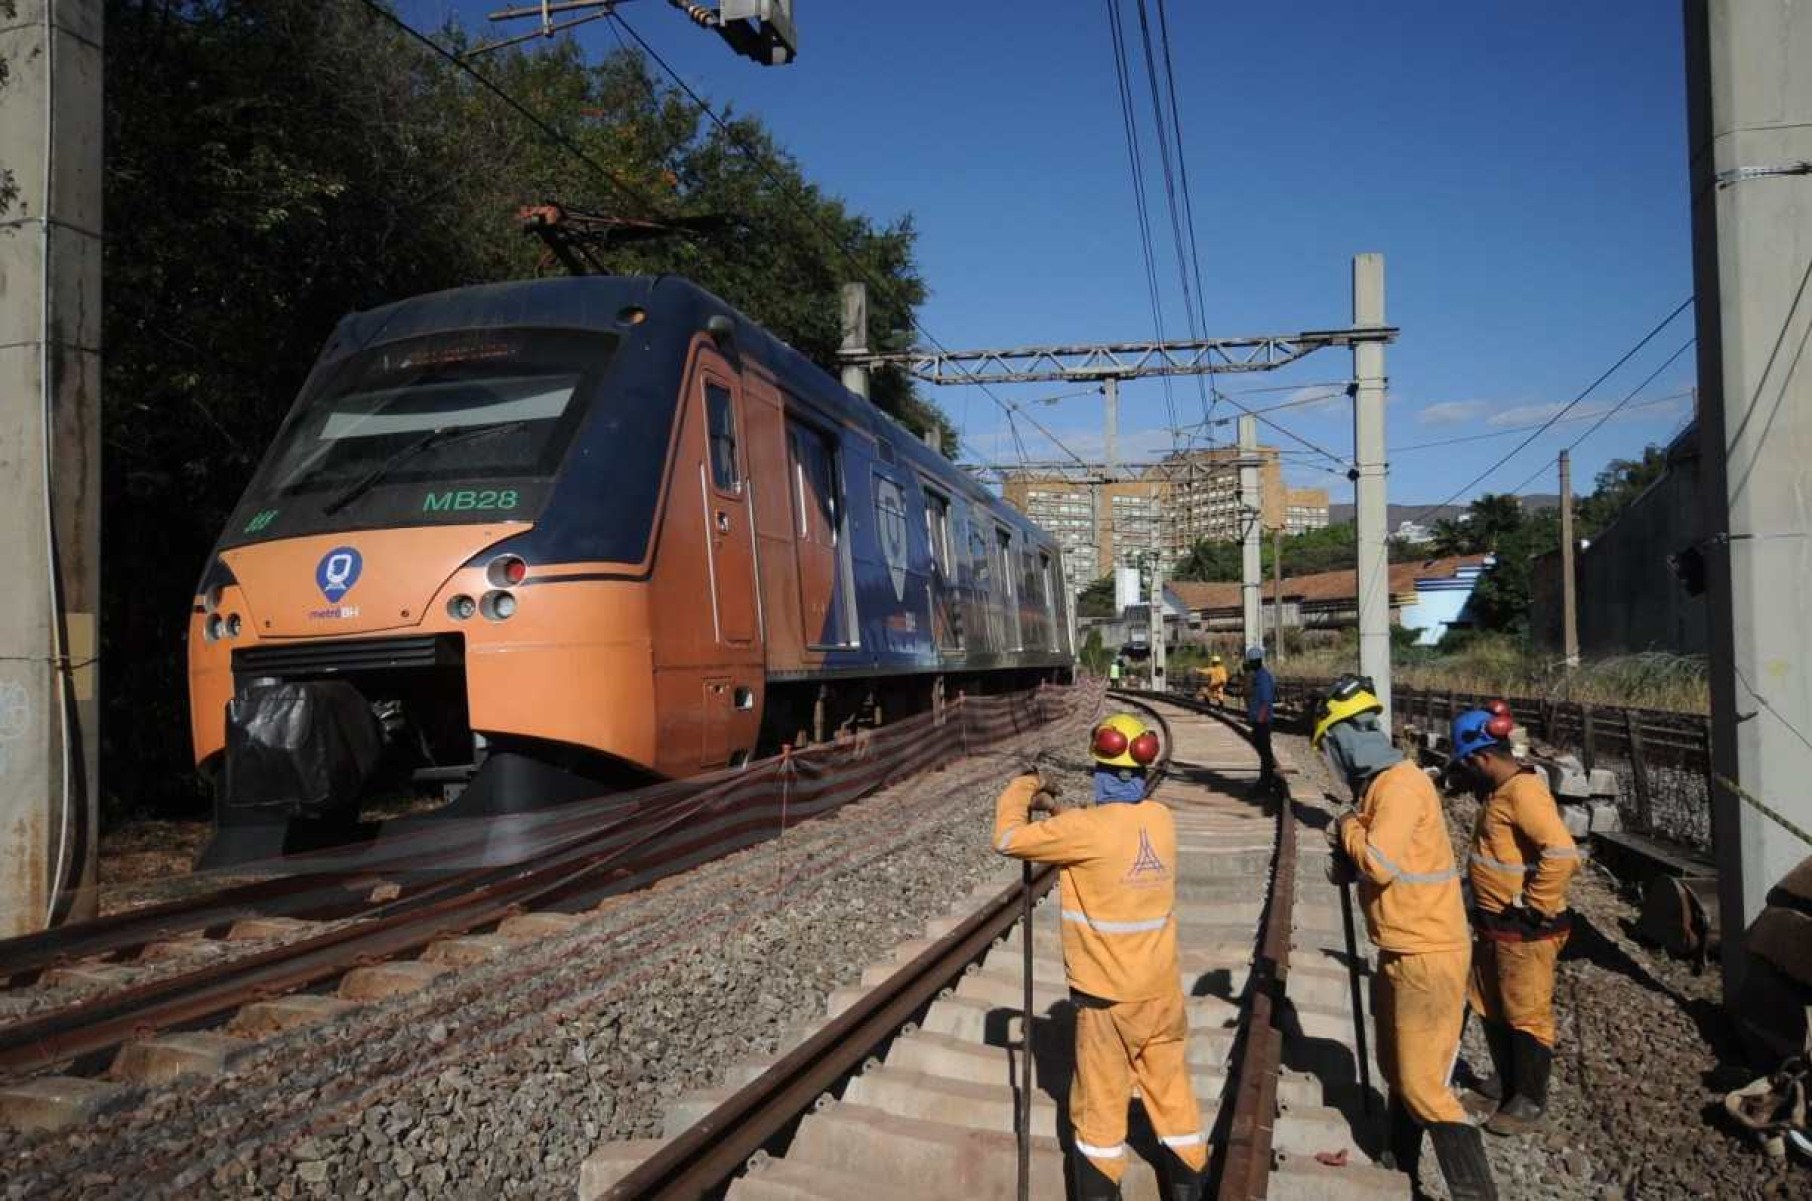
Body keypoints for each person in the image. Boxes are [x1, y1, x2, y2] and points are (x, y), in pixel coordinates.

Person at [992, 714, 1206, 1201]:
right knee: (1173, 1101)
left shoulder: (1082, 831)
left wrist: (1027, 785)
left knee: (1100, 1113)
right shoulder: (1161, 821)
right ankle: (1191, 1187)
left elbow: (1005, 839)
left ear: (1099, 768)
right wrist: (1065, 813)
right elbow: (1109, 828)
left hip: (1108, 1004)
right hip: (1162, 996)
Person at [1315, 676, 1498, 1201]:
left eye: (1331, 747)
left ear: (1347, 739)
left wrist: (1349, 828)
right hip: (1400, 946)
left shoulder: (1399, 785)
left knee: (1423, 1085)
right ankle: (1401, 1164)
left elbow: (1381, 861)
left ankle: (1474, 1193)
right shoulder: (1380, 787)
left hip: (1428, 952)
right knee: (1396, 1068)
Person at [1449, 707, 1580, 1135]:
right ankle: (1504, 1082)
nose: (1465, 775)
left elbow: (1562, 854)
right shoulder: (1499, 792)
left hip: (1525, 930)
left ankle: (1528, 1101)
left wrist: (1533, 907)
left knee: (1526, 1011)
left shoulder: (1522, 793)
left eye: (1467, 765)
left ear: (1484, 757)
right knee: (1489, 1001)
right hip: (1495, 925)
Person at [1243, 646, 1276, 793]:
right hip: (1259, 720)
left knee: (1265, 753)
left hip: (1262, 721)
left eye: (1252, 662)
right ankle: (1265, 781)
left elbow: (1266, 699)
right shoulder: (1258, 675)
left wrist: (1260, 719)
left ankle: (1265, 783)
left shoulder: (1263, 677)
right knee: (1263, 752)